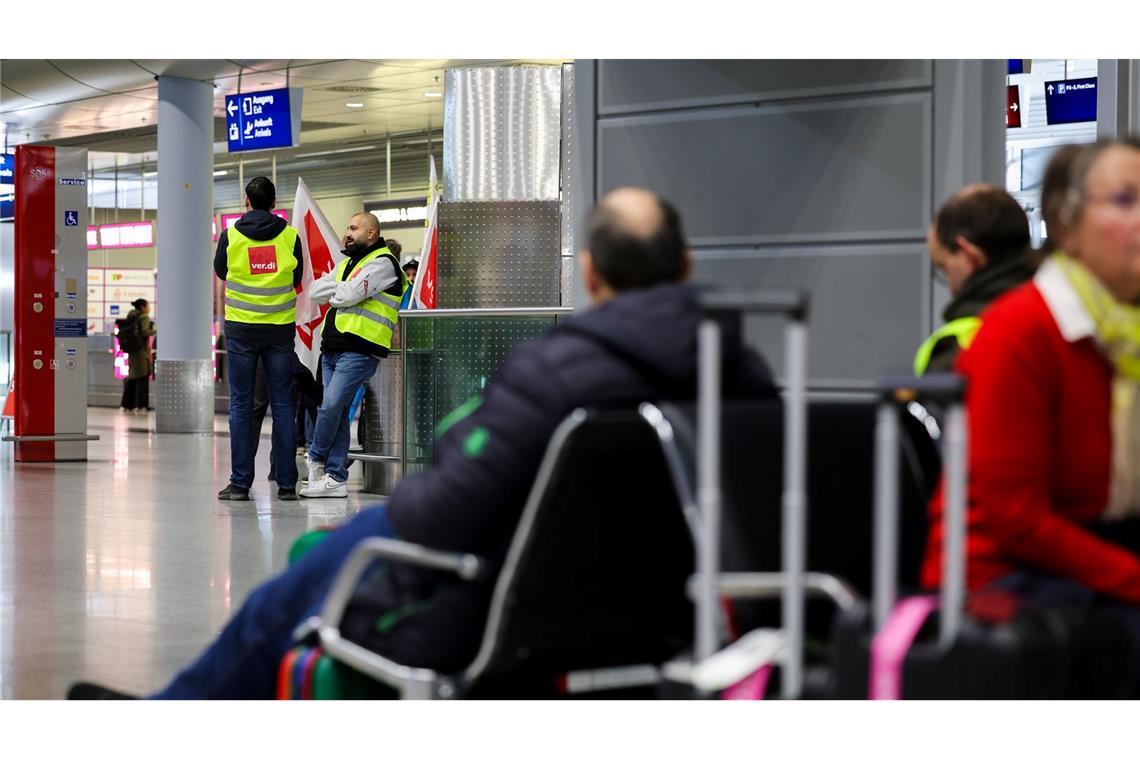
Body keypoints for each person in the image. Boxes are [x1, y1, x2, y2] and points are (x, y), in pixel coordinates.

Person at [67, 187, 777, 699]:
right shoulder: (749, 380)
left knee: (290, 592)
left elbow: (438, 516)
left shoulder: (554, 374)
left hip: (512, 608)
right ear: (684, 266)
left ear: (589, 273)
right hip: (665, 607)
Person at [921, 138, 1140, 687]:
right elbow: (1018, 522)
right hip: (999, 583)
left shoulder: (1123, 336)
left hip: (1086, 557)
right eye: (1125, 199)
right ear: (1065, 226)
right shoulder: (1020, 330)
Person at [300, 213, 407, 499]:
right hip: (332, 348)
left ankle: (316, 455)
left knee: (332, 405)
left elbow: (345, 296)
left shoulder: (384, 264)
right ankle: (336, 478)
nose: (346, 233)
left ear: (371, 233)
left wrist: (340, 290)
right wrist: (342, 289)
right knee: (337, 411)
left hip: (360, 349)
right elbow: (316, 291)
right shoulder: (349, 263)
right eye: (346, 227)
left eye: (352, 228)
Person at [214, 177, 303, 502]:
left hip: (241, 331)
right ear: (273, 201)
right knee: (282, 406)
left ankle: (240, 483)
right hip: (279, 330)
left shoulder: (231, 235)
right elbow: (296, 277)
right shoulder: (290, 237)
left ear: (247, 200)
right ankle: (287, 484)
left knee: (240, 404)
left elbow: (221, 271)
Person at [914, 185, 1036, 375]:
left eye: (943, 266)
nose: (951, 287)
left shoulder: (955, 348)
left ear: (969, 254)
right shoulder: (1063, 320)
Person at [119, 298, 156, 413]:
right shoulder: (144, 317)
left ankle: (126, 405)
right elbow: (145, 332)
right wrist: (154, 329)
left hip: (132, 350)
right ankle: (141, 406)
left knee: (132, 378)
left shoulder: (131, 316)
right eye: (148, 306)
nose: (149, 308)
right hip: (141, 352)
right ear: (142, 307)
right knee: (142, 378)